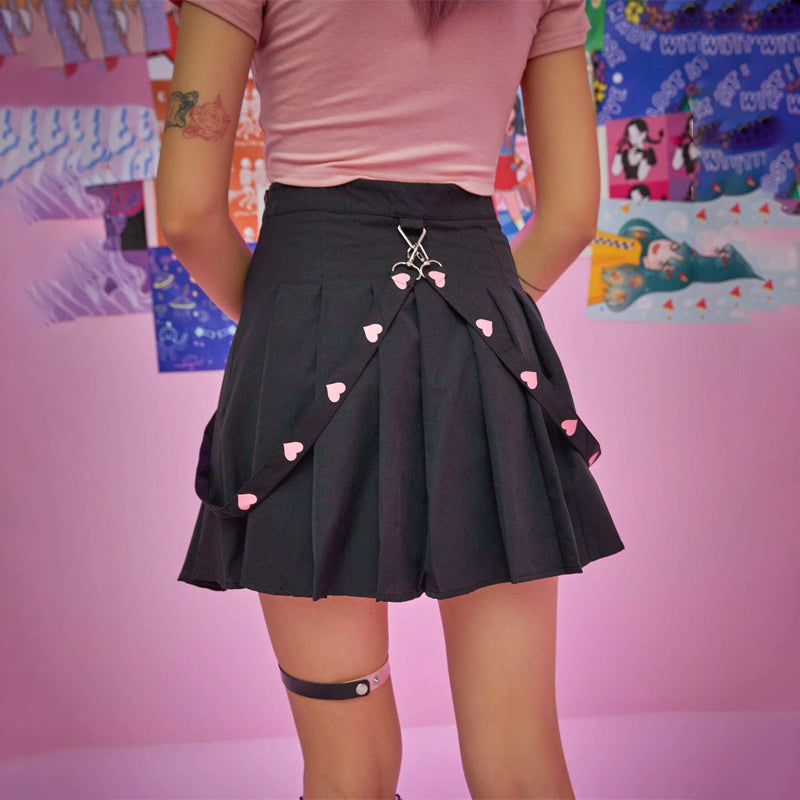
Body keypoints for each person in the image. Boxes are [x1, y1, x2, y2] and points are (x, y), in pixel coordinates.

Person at [155, 2, 625, 798]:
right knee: (521, 759)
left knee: (347, 769)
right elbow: (574, 215)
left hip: (307, 328)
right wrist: (472, 315)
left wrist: (286, 329)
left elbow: (187, 212)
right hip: (482, 336)